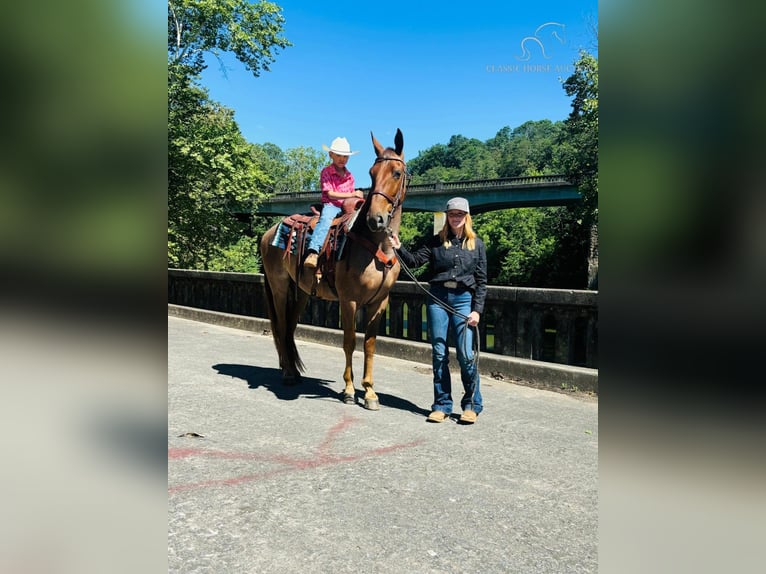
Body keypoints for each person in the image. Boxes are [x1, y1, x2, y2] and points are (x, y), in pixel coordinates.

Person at [391, 197, 487, 424]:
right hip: (437, 298)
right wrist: (399, 247)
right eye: (452, 214)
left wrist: (477, 311)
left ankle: (472, 404)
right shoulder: (435, 242)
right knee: (440, 353)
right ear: (447, 216)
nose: (456, 218)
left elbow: (482, 282)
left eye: (460, 215)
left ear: (466, 217)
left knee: (465, 353)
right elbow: (414, 261)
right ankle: (442, 405)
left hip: (464, 300)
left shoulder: (477, 245)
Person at [304, 136, 364, 271]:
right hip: (332, 205)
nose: (342, 159)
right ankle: (313, 252)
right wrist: (352, 194)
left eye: (345, 156)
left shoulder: (350, 176)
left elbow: (351, 197)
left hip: (347, 207)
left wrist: (357, 198)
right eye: (339, 155)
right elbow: (330, 194)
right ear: (331, 155)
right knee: (325, 221)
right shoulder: (326, 172)